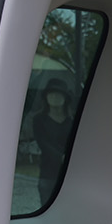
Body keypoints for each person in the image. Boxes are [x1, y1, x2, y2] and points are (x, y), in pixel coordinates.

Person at [30, 77, 74, 205]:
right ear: (46, 97)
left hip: (69, 174)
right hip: (48, 173)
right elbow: (43, 143)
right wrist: (61, 157)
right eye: (52, 94)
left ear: (65, 98)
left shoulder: (71, 121)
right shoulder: (39, 120)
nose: (55, 97)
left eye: (59, 94)